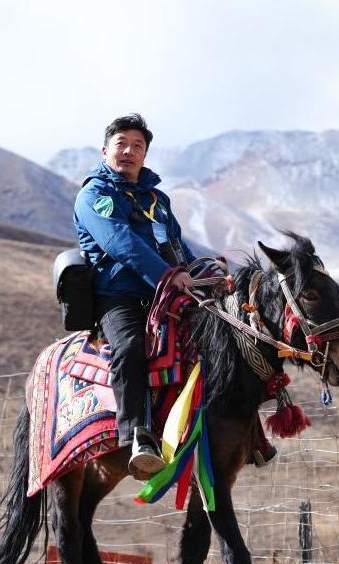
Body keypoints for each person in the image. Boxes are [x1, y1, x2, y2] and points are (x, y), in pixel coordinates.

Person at [74, 114, 197, 479]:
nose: (129, 150)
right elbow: (120, 243)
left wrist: (205, 274)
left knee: (217, 339)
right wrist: (169, 277)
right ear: (105, 150)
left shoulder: (157, 200)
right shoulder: (94, 196)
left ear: (145, 155)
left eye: (138, 146)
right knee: (129, 347)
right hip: (119, 297)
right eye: (121, 143)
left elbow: (176, 245)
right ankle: (138, 436)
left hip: (167, 295)